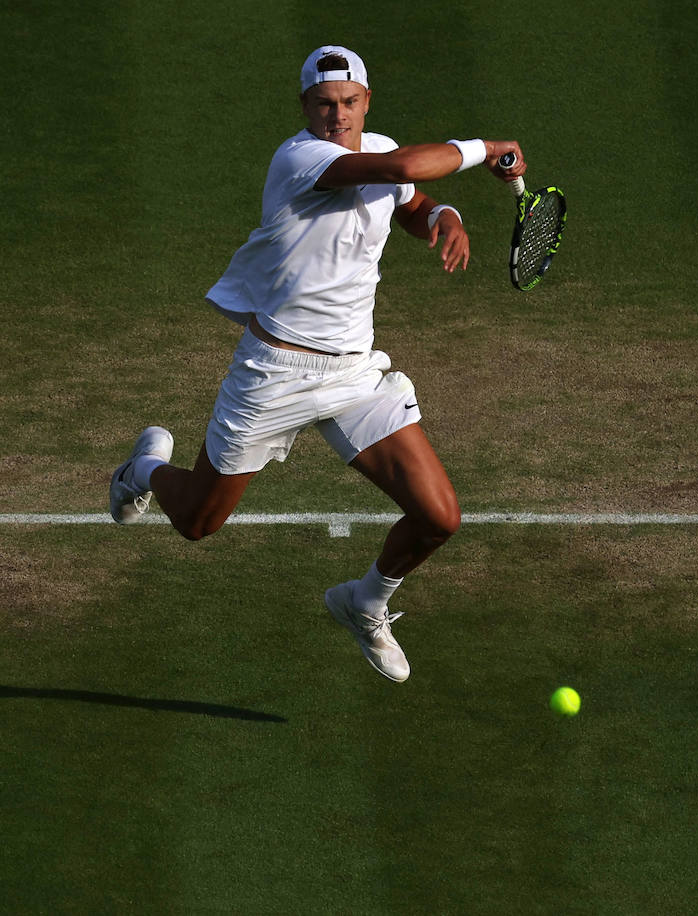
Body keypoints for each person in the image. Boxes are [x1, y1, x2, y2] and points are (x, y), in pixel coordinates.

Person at [108, 45, 525, 683]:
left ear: (365, 101)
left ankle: (365, 602)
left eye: (349, 103)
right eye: (325, 105)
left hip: (353, 371)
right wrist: (488, 147)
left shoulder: (376, 151)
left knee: (439, 515)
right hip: (275, 372)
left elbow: (409, 200)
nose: (337, 115)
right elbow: (405, 165)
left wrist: (445, 215)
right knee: (197, 522)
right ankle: (142, 468)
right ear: (305, 107)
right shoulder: (301, 159)